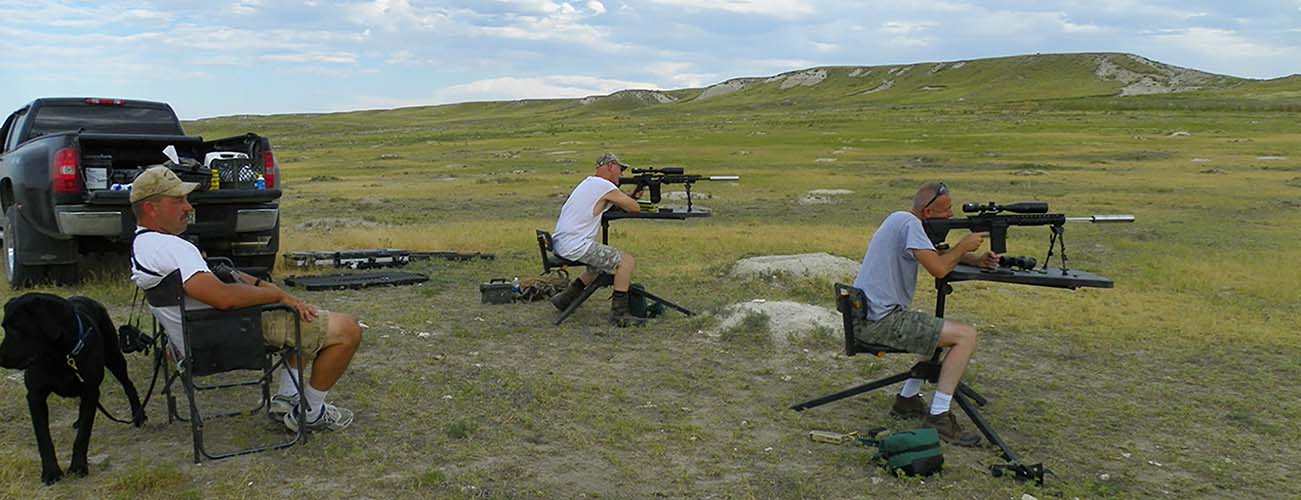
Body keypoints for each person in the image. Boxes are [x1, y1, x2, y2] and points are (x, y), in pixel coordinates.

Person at [127, 166, 363, 432]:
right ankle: (311, 413)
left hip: (201, 334)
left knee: (305, 316)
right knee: (347, 330)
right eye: (178, 201)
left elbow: (214, 281)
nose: (188, 207)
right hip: (229, 334)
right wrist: (275, 294)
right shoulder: (172, 247)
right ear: (151, 208)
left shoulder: (144, 245)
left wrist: (267, 289)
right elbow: (224, 298)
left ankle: (287, 400)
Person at [851, 181, 998, 446]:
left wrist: (976, 261)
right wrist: (964, 247)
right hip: (882, 322)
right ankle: (939, 416)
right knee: (966, 336)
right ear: (928, 213)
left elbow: (937, 253)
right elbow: (939, 269)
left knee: (933, 330)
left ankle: (908, 399)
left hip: (871, 317)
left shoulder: (900, 219)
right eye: (947, 210)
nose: (951, 215)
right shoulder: (911, 225)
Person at [548, 152, 644, 325]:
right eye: (619, 169)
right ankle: (619, 314)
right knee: (626, 262)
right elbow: (634, 208)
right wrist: (632, 198)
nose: (621, 174)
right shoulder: (603, 186)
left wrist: (629, 195)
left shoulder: (589, 183)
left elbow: (616, 201)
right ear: (610, 166)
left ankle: (565, 299)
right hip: (575, 245)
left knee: (597, 269)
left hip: (563, 242)